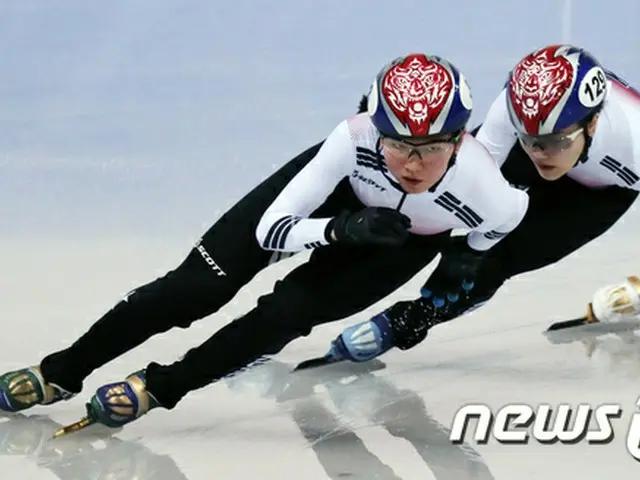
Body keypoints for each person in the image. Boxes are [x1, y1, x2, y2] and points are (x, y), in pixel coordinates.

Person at [0, 53, 529, 429]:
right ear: (376, 129)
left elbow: (506, 220)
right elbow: (271, 229)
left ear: (460, 140)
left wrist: (468, 257)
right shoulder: (354, 139)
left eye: (432, 148)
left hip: (404, 241)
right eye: (398, 145)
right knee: (196, 287)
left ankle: (159, 388)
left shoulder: (486, 189)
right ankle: (61, 371)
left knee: (284, 315)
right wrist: (338, 229)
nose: (413, 164)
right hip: (336, 204)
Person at [321, 43, 640, 365]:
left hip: (602, 193)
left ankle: (405, 322)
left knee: (501, 258)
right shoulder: (516, 107)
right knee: (438, 194)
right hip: (539, 153)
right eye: (529, 137)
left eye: (554, 141)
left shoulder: (635, 142)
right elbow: (465, 177)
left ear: (594, 124)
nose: (542, 153)